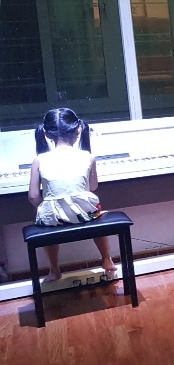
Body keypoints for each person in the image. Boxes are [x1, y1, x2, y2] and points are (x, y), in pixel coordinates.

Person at [27, 108, 116, 283]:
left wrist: (47, 207)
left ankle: (54, 270)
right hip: (84, 215)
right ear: (78, 130)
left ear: (46, 133)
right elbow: (93, 187)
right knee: (96, 212)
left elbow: (33, 196)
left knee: (47, 219)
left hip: (53, 218)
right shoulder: (87, 157)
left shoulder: (39, 160)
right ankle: (107, 259)